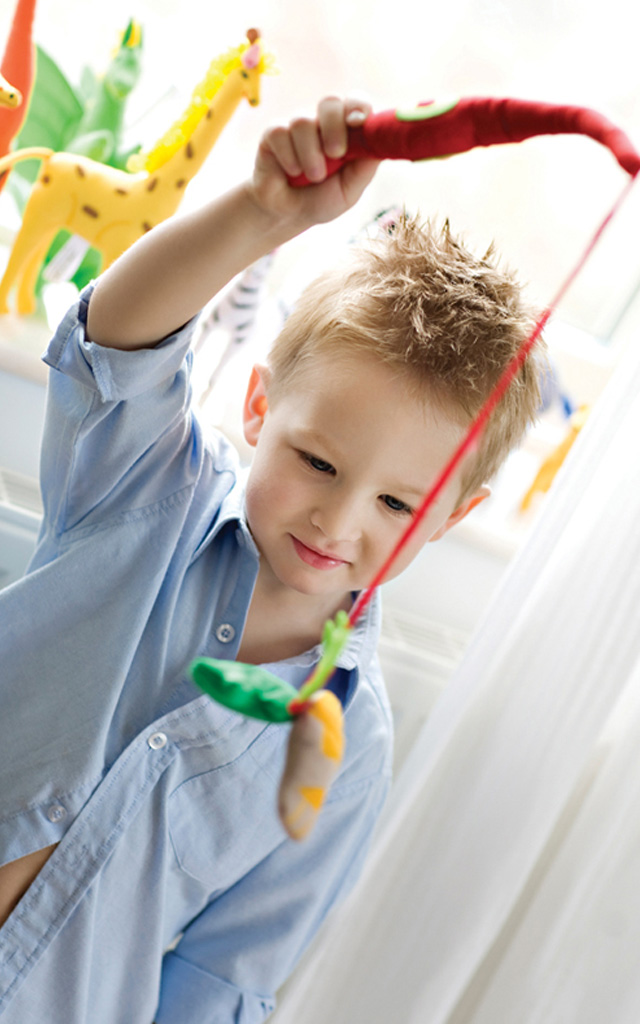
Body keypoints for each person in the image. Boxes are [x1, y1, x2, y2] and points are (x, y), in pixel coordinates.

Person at [0, 96, 545, 1022]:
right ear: (258, 408)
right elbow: (112, 346)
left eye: (398, 504)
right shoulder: (148, 492)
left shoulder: (351, 754)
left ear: (453, 518)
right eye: (317, 461)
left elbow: (223, 980)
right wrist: (263, 215)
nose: (339, 519)